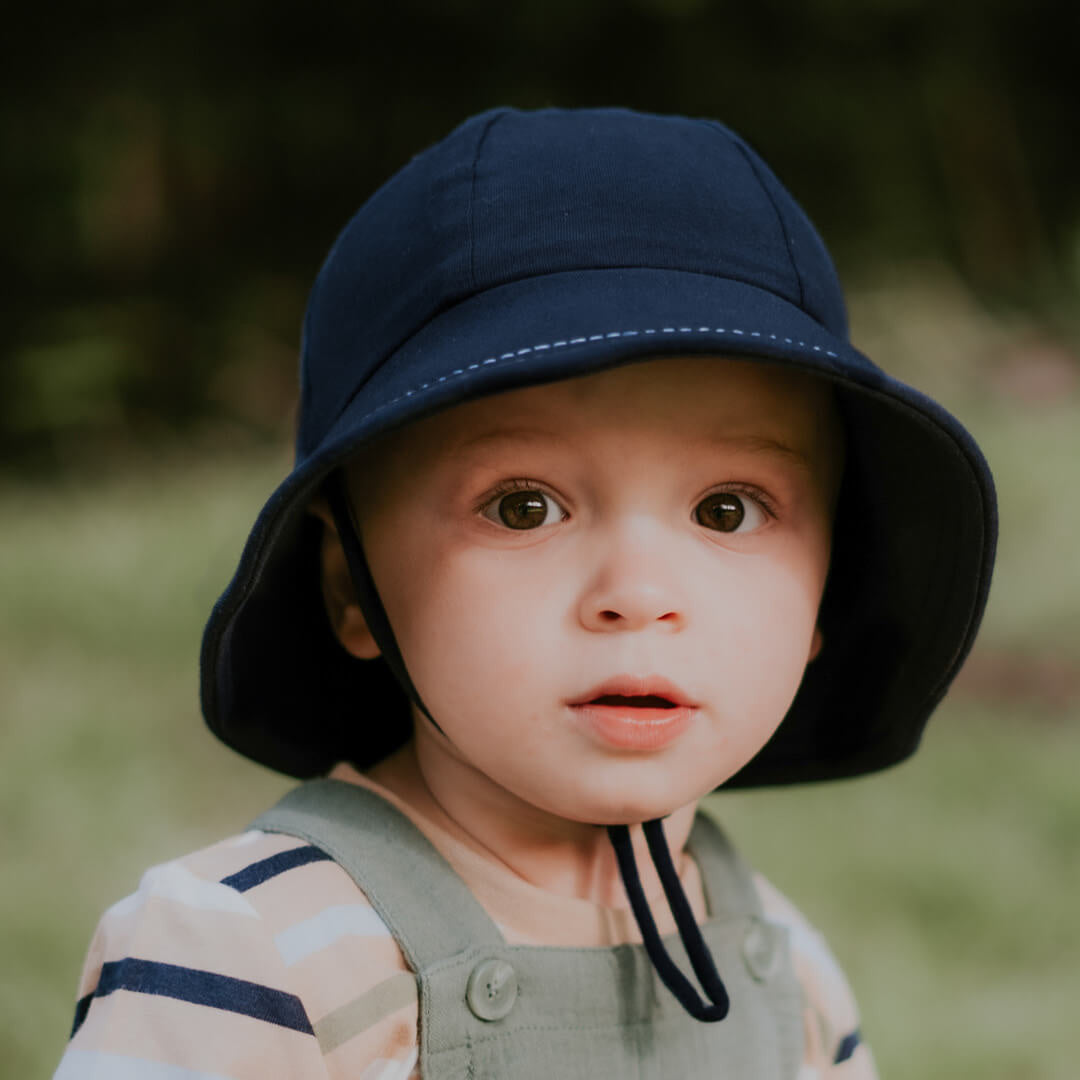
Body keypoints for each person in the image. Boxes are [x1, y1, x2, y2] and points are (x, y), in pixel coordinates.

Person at [54, 106, 997, 1079]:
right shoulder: (250, 957)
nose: (637, 594)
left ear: (827, 589)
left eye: (727, 511)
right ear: (351, 584)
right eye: (523, 507)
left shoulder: (784, 971)